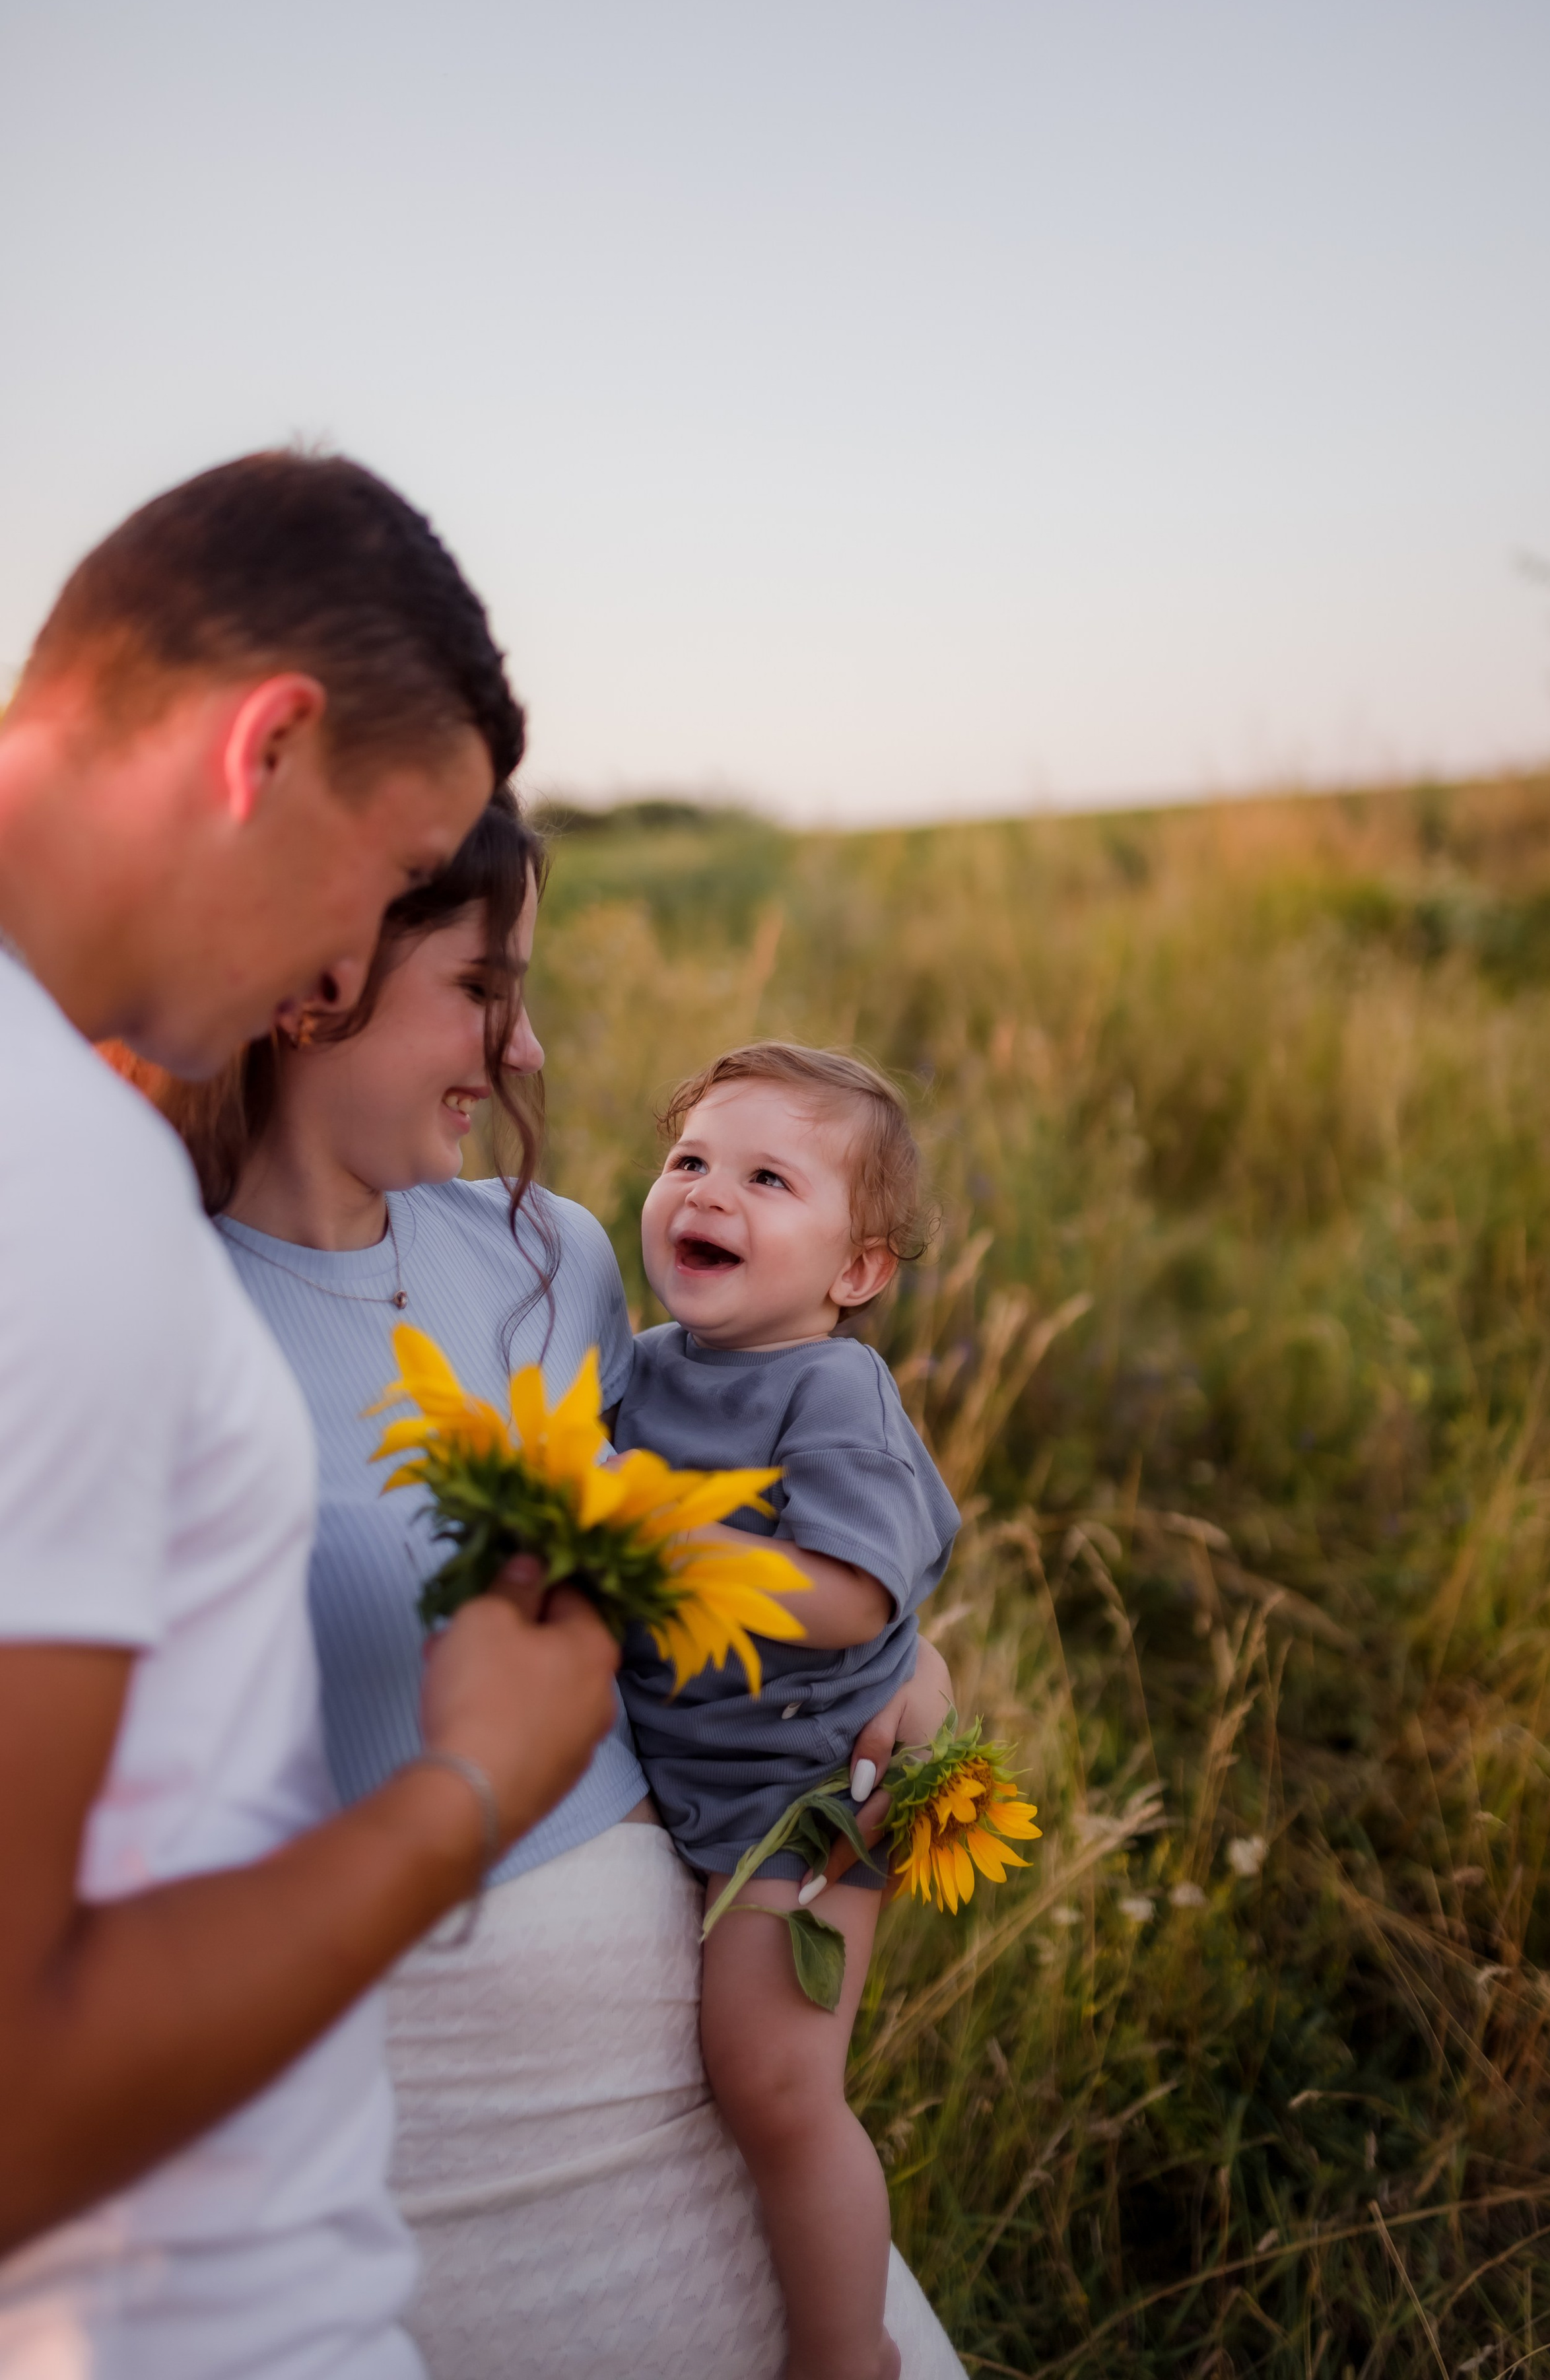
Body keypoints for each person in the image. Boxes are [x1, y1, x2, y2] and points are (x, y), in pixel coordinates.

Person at [145, 796, 968, 2379]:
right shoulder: (130, 1310)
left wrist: (896, 1685)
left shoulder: (554, 1257)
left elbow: (725, 1565)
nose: (525, 1058)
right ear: (310, 978)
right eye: (483, 991)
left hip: (695, 2029)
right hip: (406, 2126)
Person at [0, 452, 620, 2380]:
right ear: (263, 747)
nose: (346, 966)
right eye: (382, 871)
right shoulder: (65, 1192)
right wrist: (465, 1798)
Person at [617, 1045, 957, 2380]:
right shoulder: (641, 1366)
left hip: (811, 1799)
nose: (709, 1193)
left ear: (853, 1272)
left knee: (769, 2080)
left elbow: (852, 1598)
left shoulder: (830, 1390)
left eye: (767, 1177)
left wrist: (659, 1544)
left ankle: (842, 2353)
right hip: (696, 1774)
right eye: (690, 1160)